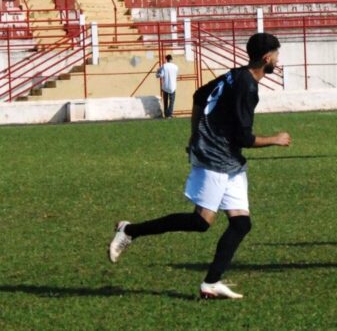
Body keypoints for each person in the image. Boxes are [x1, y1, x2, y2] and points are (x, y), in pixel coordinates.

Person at [108, 33, 292, 299]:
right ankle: (129, 230)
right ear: (267, 58)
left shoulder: (236, 74)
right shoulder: (247, 87)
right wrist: (275, 139)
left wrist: (195, 134)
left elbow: (198, 95)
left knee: (241, 224)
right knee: (201, 222)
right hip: (215, 159)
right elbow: (243, 138)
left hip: (229, 161)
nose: (277, 59)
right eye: (276, 54)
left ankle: (211, 283)